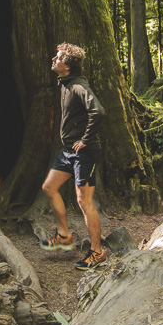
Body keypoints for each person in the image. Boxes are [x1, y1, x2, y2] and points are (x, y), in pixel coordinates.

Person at [39, 43, 108, 270]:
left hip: (84, 153)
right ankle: (64, 235)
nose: (53, 59)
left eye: (57, 57)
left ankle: (97, 252)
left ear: (67, 66)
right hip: (69, 151)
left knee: (84, 201)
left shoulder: (78, 86)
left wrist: (85, 140)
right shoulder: (66, 83)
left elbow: (98, 111)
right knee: (49, 187)